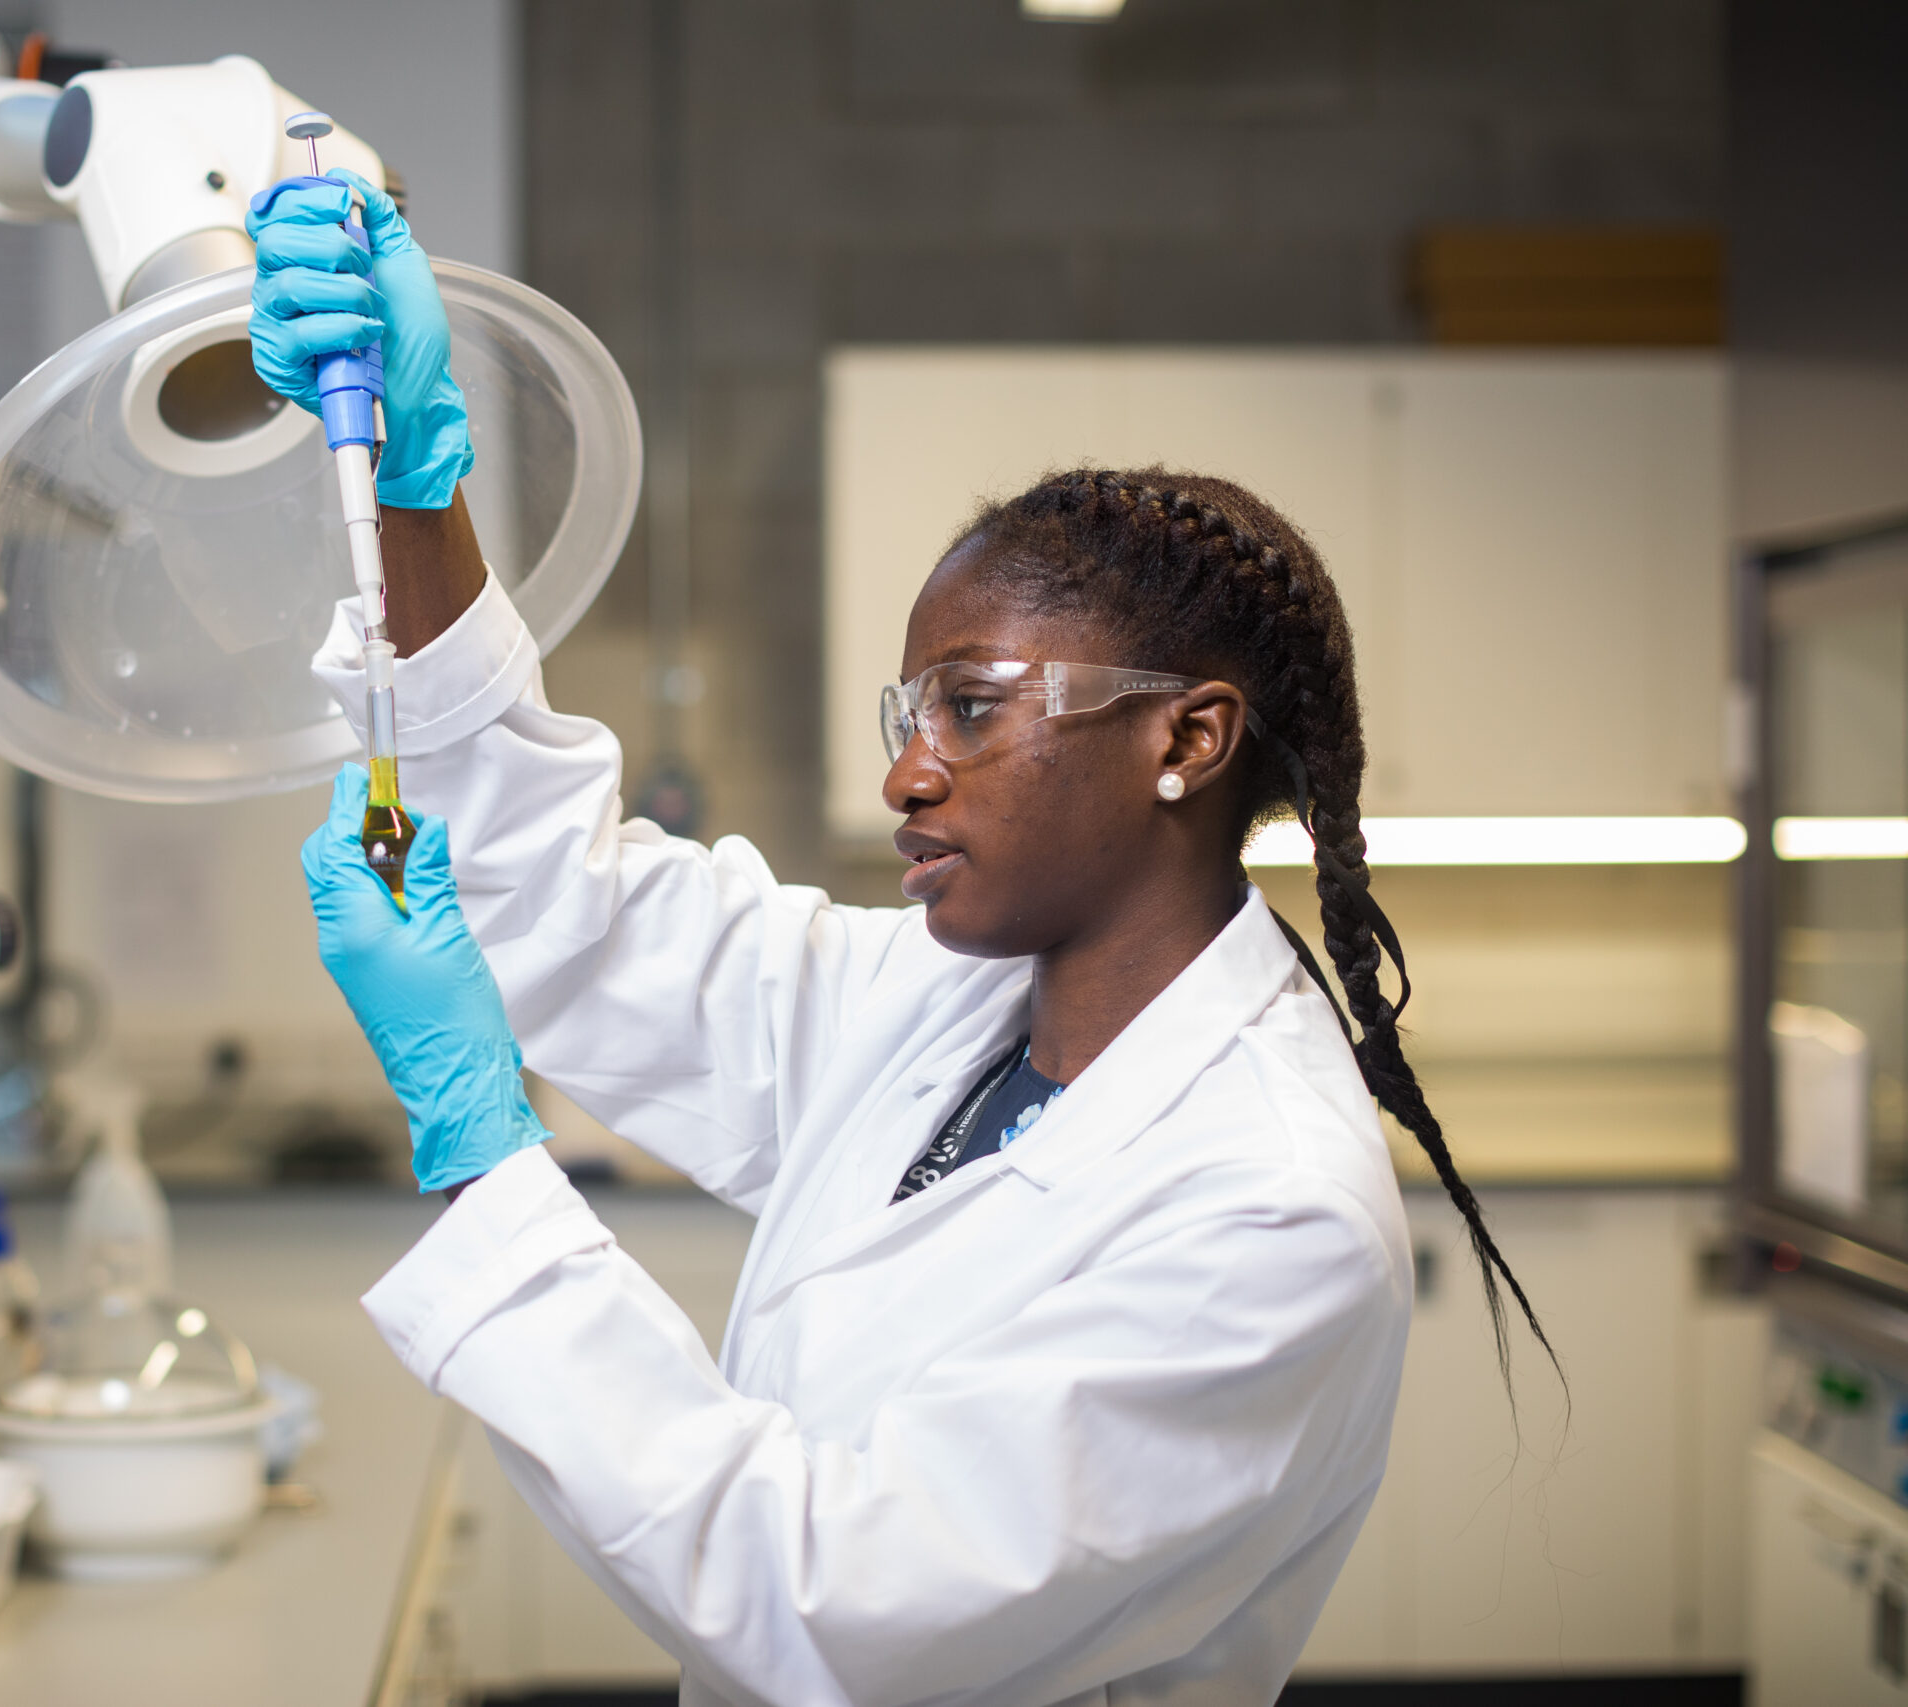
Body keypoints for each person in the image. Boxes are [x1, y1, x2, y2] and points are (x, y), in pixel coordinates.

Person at [249, 174, 1552, 1707]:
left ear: (1186, 742)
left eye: (973, 709)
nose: (905, 773)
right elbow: (579, 906)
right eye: (910, 712)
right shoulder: (956, 1004)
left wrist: (481, 1143)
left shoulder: (1268, 1220)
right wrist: (412, 478)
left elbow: (839, 1612)